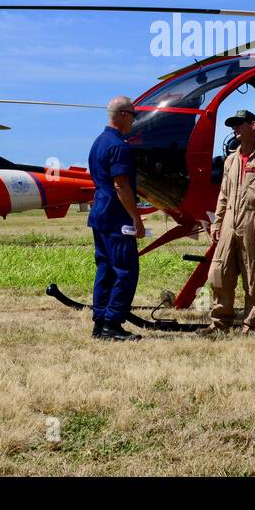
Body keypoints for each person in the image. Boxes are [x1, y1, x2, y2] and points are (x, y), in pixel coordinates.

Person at [203, 109, 255, 334]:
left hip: (253, 221)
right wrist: (217, 223)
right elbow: (223, 194)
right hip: (229, 220)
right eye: (233, 125)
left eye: (240, 123)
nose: (235, 128)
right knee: (219, 273)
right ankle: (219, 323)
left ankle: (251, 324)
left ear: (253, 125)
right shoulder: (231, 160)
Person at [87, 96, 145, 341]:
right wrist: (136, 217)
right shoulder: (119, 146)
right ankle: (113, 323)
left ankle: (100, 322)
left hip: (99, 215)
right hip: (116, 218)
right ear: (122, 115)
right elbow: (121, 186)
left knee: (105, 269)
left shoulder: (99, 142)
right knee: (125, 271)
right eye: (132, 115)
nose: (133, 120)